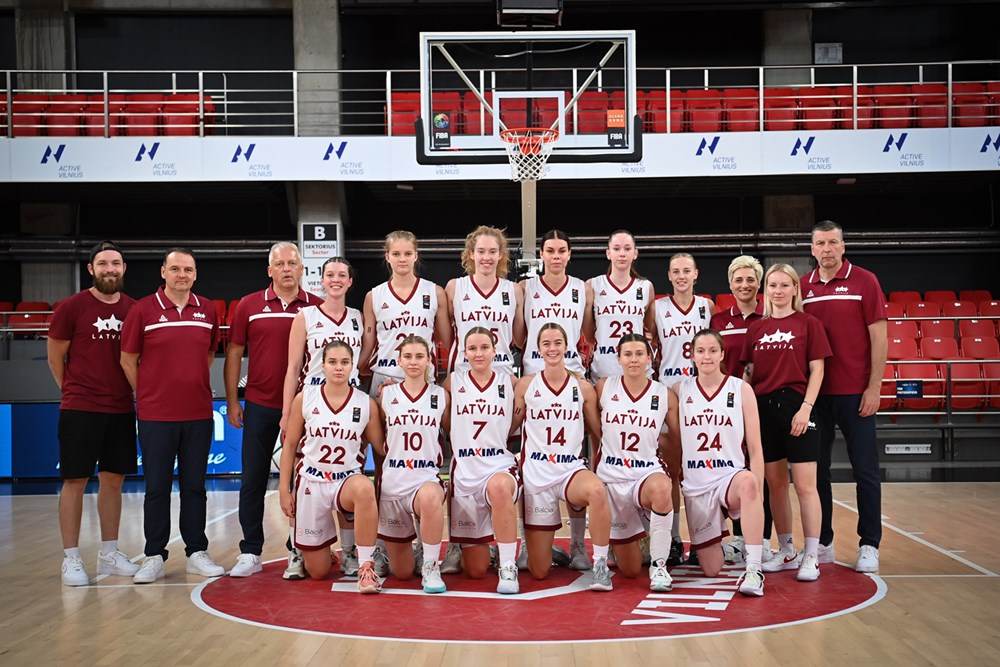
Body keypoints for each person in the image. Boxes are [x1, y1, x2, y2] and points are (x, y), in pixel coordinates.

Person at [120, 247, 224, 583]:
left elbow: (208, 353)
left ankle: (196, 552)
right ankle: (154, 555)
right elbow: (127, 360)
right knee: (157, 487)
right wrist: (148, 393)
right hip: (156, 415)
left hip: (197, 413)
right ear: (163, 272)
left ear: (195, 274)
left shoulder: (207, 309)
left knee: (195, 487)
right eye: (176, 269)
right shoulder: (142, 310)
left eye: (188, 270)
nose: (182, 275)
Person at [223, 242, 321, 578]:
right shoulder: (249, 305)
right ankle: (250, 551)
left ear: (302, 269)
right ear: (270, 270)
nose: (287, 269)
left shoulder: (316, 307)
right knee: (253, 478)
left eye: (292, 263)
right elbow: (234, 353)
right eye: (280, 264)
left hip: (305, 406)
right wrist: (233, 400)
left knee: (305, 480)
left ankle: (300, 548)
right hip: (260, 404)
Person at [47, 241, 140, 586]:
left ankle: (109, 553)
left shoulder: (134, 309)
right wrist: (73, 390)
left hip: (121, 408)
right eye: (103, 263)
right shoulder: (71, 307)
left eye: (115, 263)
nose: (110, 269)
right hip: (80, 408)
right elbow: (55, 357)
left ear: (124, 268)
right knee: (75, 481)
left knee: (113, 481)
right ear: (91, 269)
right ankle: (71, 558)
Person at [281, 256, 376, 579]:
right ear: (320, 280)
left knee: (350, 469)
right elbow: (294, 367)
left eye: (342, 275)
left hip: (348, 401)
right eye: (330, 274)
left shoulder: (357, 317)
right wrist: (286, 411)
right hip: (312, 400)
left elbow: (363, 360)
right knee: (304, 472)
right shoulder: (305, 316)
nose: (335, 280)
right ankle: (297, 551)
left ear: (350, 281)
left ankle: (349, 552)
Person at [801, 220, 888, 573]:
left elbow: (879, 338)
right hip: (816, 396)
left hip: (856, 394)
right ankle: (823, 541)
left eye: (833, 242)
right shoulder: (802, 287)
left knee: (865, 471)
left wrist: (874, 387)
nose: (827, 249)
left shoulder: (865, 281)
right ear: (812, 249)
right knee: (816, 472)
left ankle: (869, 544)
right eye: (820, 243)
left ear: (842, 246)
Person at [743, 264, 831, 582]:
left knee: (806, 486)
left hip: (797, 407)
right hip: (763, 409)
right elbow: (748, 374)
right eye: (773, 285)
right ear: (765, 290)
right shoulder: (756, 328)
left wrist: (806, 408)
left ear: (795, 289)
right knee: (776, 485)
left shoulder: (809, 324)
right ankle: (787, 549)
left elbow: (818, 370)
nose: (778, 291)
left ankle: (812, 555)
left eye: (784, 285)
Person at [665, 329, 766, 597]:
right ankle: (720, 542)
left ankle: (754, 569)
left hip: (729, 478)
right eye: (700, 351)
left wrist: (757, 492)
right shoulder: (679, 390)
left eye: (712, 350)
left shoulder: (740, 389)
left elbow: (755, 448)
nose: (706, 356)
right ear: (692, 355)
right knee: (711, 569)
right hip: (697, 486)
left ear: (722, 354)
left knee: (749, 483)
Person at [511, 323, 612, 591]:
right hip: (537, 474)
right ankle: (546, 549)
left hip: (570, 470)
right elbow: (509, 428)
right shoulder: (525, 385)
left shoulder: (582, 388)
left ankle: (600, 564)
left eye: (557, 343)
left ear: (567, 347)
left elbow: (598, 432)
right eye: (546, 344)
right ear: (538, 349)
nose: (552, 348)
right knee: (538, 572)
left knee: (597, 490)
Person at [279, 340, 384, 594]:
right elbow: (290, 445)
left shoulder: (365, 403)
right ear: (323, 366)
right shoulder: (305, 398)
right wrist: (284, 490)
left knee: (364, 488)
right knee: (318, 572)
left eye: (345, 362)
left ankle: (366, 566)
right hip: (312, 480)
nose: (339, 367)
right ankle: (322, 551)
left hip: (346, 480)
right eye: (333, 362)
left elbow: (381, 447)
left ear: (353, 367)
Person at [519, 229, 595, 571]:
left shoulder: (583, 288)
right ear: (541, 254)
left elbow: (589, 331)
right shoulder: (526, 288)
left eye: (561, 250)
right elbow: (519, 334)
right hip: (535, 375)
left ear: (569, 254)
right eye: (550, 250)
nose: (556, 256)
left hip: (572, 374)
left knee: (574, 456)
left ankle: (578, 544)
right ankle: (527, 543)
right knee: (528, 458)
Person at [443, 327, 521, 594]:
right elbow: (446, 421)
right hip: (466, 469)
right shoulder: (453, 382)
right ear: (464, 353)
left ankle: (508, 564)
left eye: (485, 348)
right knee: (475, 571)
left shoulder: (509, 382)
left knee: (499, 488)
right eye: (473, 348)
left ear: (495, 351)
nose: (479, 354)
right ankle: (487, 548)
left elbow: (517, 417)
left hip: (498, 464)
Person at [594, 334, 674, 592]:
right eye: (627, 354)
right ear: (618, 359)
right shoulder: (604, 387)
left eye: (640, 354)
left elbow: (678, 437)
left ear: (649, 358)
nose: (634, 359)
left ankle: (659, 566)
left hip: (645, 473)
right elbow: (593, 427)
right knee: (629, 570)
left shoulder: (664, 394)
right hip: (612, 478)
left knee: (662, 488)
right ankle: (628, 540)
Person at [710, 255, 772, 561]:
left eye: (750, 279)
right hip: (725, 408)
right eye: (739, 280)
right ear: (730, 284)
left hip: (763, 401)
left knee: (761, 470)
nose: (744, 285)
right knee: (731, 471)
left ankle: (763, 537)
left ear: (759, 284)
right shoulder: (719, 321)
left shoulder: (770, 317)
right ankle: (736, 537)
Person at [377, 335, 450, 594]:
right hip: (394, 479)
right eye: (408, 356)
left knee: (430, 497)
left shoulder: (440, 395)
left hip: (425, 476)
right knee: (403, 573)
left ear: (429, 360)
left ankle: (431, 564)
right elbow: (379, 438)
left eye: (420, 356)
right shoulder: (386, 394)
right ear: (399, 361)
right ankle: (409, 552)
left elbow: (454, 433)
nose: (413, 362)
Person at [654, 252, 714, 566]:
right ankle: (675, 539)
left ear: (696, 274)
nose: (681, 276)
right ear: (669, 275)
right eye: (676, 271)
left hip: (701, 393)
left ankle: (704, 538)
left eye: (686, 270)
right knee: (672, 470)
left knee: (701, 471)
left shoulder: (707, 307)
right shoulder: (657, 308)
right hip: (669, 392)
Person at [362, 230, 451, 398]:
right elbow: (368, 344)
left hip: (423, 376)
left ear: (415, 256)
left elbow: (448, 341)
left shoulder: (434, 292)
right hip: (385, 375)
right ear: (387, 257)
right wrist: (353, 370)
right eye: (396, 254)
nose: (402, 259)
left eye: (408, 254)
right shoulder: (374, 296)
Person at [445, 225, 526, 376]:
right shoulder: (455, 287)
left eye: (492, 251)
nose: (486, 257)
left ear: (501, 254)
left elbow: (520, 340)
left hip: (501, 371)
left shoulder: (513, 290)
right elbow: (446, 336)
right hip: (463, 371)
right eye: (481, 251)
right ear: (471, 253)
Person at [586, 229, 655, 383]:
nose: (622, 254)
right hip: (604, 368)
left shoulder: (645, 287)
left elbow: (649, 330)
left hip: (638, 368)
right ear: (608, 253)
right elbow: (589, 334)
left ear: (635, 253)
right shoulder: (593, 285)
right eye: (616, 249)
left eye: (627, 249)